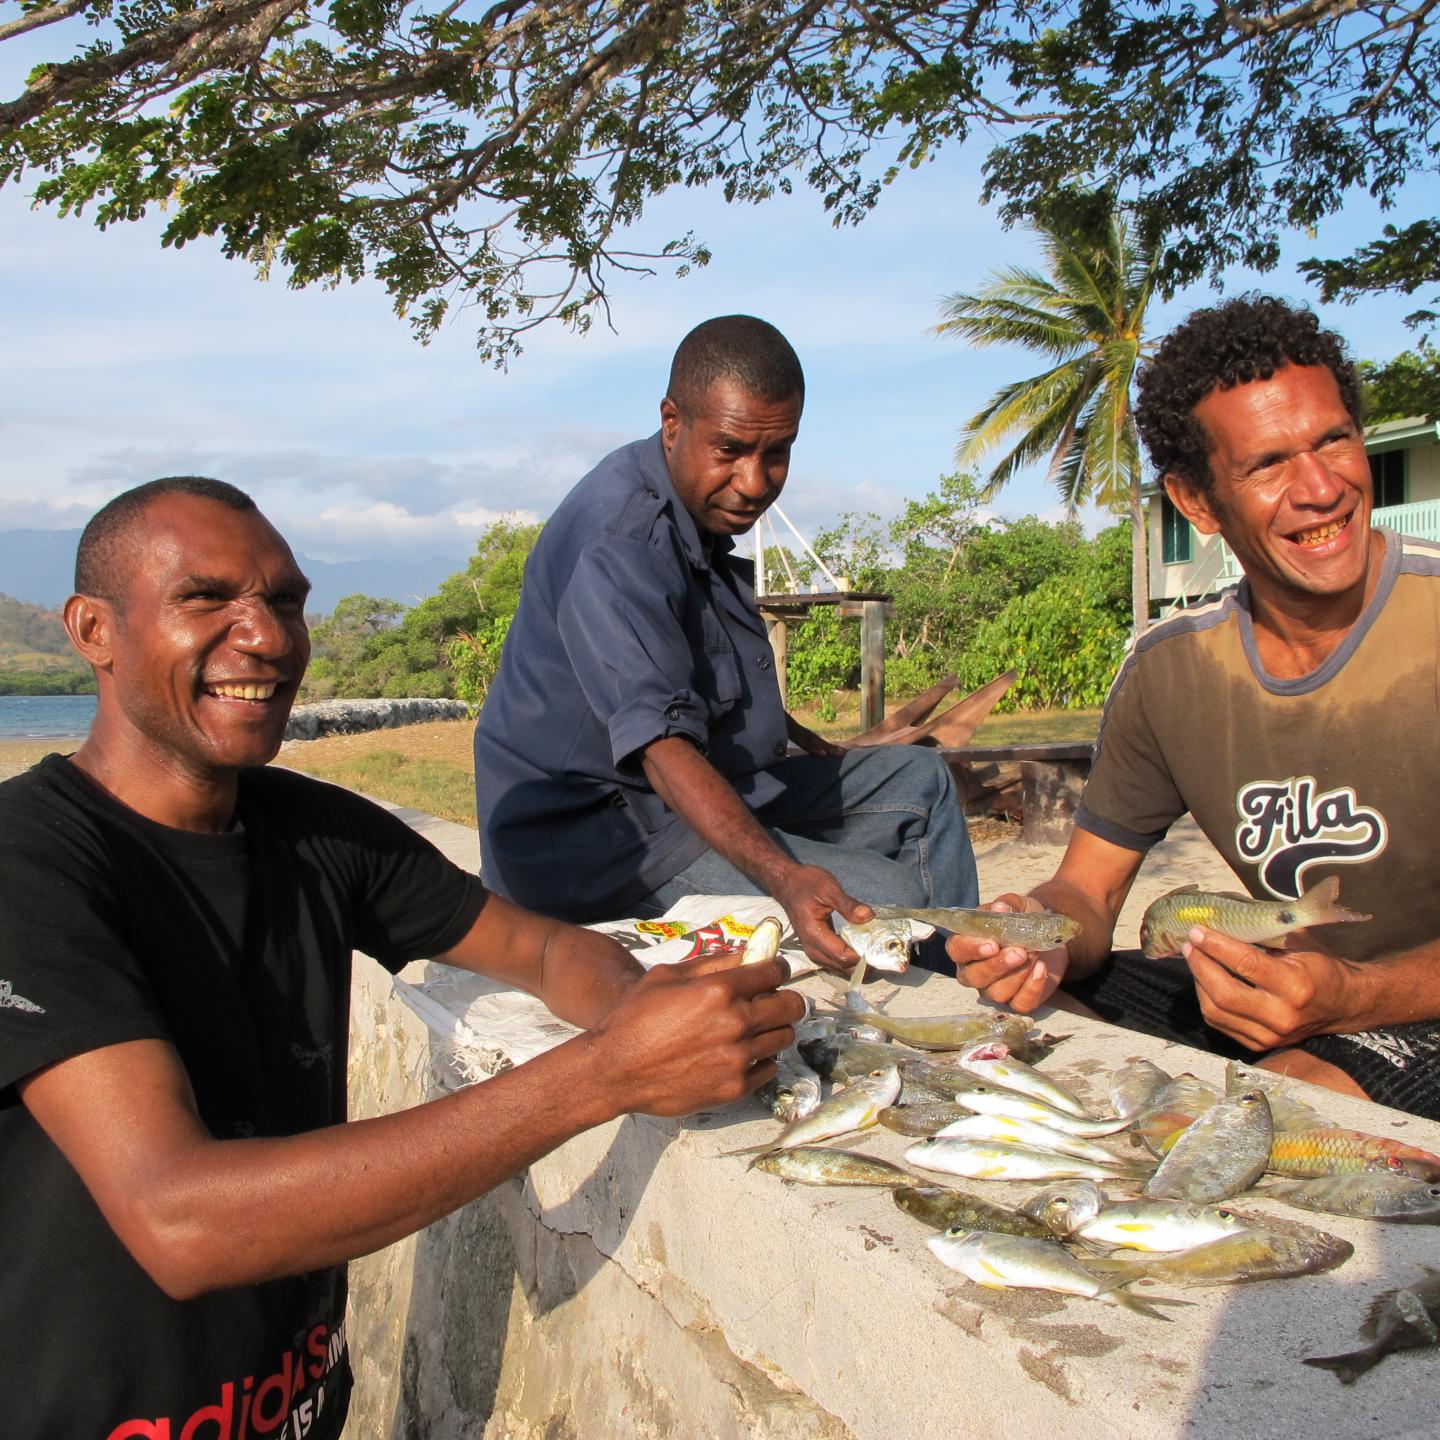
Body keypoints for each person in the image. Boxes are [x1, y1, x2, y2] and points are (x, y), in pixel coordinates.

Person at [0, 476, 805, 1439]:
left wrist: (645, 1005)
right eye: (205, 599)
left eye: (286, 601)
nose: (265, 637)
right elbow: (178, 1219)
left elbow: (544, 951)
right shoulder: (29, 867)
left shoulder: (317, 833)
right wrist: (608, 1072)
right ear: (93, 631)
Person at [947, 294, 1440, 1119]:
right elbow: (1092, 897)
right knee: (985, 1006)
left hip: (1411, 1010)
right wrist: (1033, 933)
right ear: (1199, 503)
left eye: (1334, 441)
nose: (1321, 488)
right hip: (1283, 999)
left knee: (1293, 1106)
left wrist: (1352, 997)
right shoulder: (1167, 673)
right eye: (1270, 465)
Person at [474, 315, 977, 971]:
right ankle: (943, 999)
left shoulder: (690, 503)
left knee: (922, 780)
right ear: (673, 422)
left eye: (778, 453)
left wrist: (798, 733)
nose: (755, 482)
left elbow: (692, 659)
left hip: (701, 790)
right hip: (602, 843)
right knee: (897, 903)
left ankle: (973, 982)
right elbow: (659, 746)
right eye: (732, 450)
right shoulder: (620, 542)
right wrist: (783, 876)